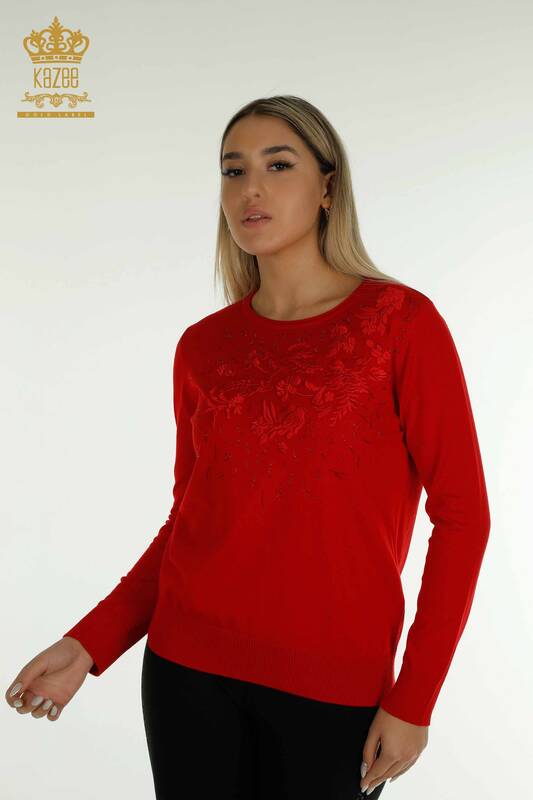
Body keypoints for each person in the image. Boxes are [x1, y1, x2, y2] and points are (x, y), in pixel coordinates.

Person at [5, 95, 491, 798]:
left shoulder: (400, 324)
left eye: (278, 165)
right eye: (233, 171)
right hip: (186, 676)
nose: (250, 189)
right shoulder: (204, 348)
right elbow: (189, 522)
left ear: (328, 188)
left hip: (335, 690)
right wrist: (90, 643)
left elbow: (463, 518)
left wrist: (415, 698)